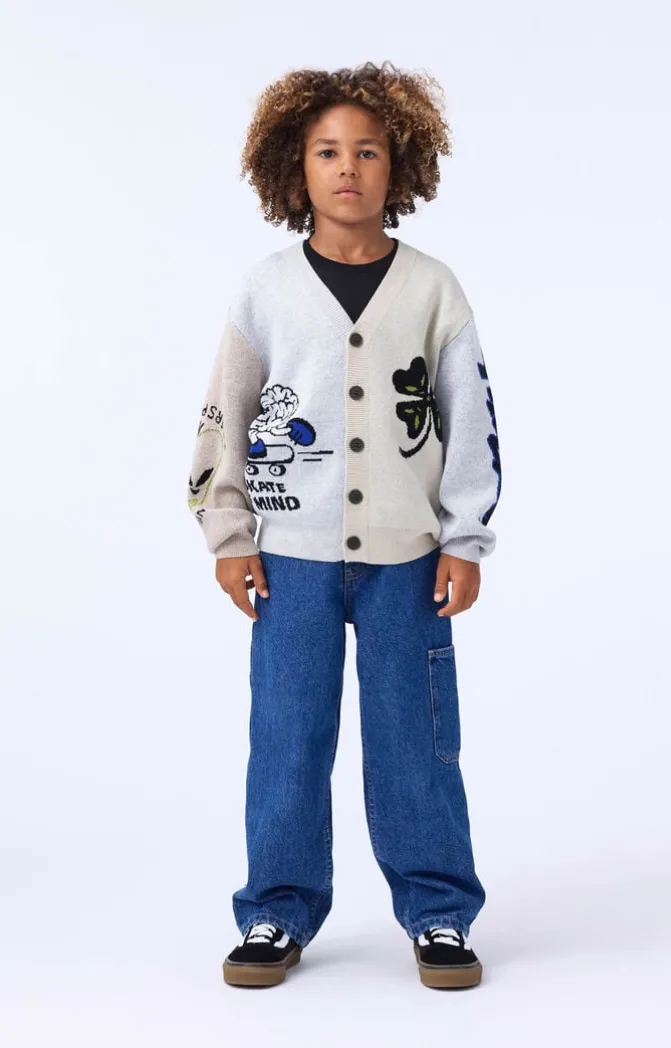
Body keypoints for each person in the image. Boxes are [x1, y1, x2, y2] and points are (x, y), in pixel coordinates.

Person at [186, 60, 502, 990]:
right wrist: (230, 535)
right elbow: (224, 415)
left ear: (398, 165)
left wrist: (465, 538)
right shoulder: (266, 291)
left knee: (417, 741)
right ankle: (275, 911)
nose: (348, 168)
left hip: (410, 560)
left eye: (367, 151)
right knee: (288, 738)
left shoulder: (434, 289)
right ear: (295, 166)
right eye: (327, 151)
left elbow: (470, 419)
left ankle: (439, 912)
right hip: (291, 561)